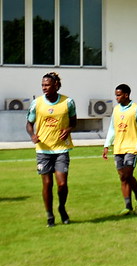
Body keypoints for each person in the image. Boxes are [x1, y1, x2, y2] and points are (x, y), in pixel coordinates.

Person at [26, 72, 77, 227]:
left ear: (56, 85)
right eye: (42, 85)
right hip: (43, 150)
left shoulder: (68, 102)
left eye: (47, 85)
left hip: (61, 149)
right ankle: (49, 215)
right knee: (47, 184)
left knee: (62, 184)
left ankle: (61, 208)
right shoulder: (37, 103)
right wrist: (32, 135)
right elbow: (29, 123)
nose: (44, 88)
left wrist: (68, 129)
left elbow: (74, 122)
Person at [102, 83, 137, 215]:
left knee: (127, 174)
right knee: (123, 178)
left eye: (118, 95)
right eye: (115, 95)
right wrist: (107, 145)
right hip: (118, 147)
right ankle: (128, 206)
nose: (116, 98)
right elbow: (112, 128)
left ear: (126, 95)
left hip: (132, 147)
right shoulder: (116, 110)